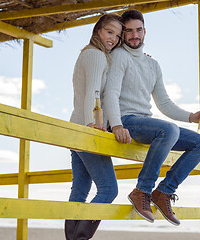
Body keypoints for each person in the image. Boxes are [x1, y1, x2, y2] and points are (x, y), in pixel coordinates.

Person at [104, 9, 200, 226]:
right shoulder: (118, 56)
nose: (135, 35)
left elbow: (163, 103)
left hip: (146, 123)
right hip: (124, 120)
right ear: (122, 34)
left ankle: (163, 192)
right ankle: (142, 190)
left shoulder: (152, 64)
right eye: (129, 31)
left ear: (145, 31)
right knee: (169, 130)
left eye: (139, 30)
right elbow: (111, 93)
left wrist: (191, 117)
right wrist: (115, 124)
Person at [65, 14, 123, 240]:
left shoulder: (87, 54)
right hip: (87, 130)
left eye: (118, 36)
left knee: (79, 190)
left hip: (75, 129)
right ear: (98, 30)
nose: (114, 39)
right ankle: (80, 238)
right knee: (109, 189)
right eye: (110, 32)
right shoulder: (96, 56)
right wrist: (92, 125)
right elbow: (93, 92)